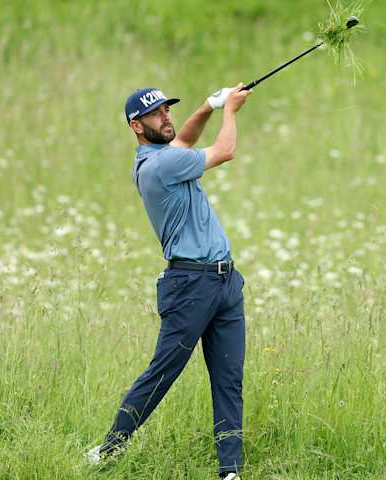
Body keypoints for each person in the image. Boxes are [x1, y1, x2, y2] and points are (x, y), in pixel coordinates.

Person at [87, 84, 252, 479]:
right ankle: (109, 449)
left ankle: (230, 471)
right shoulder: (159, 166)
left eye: (166, 110)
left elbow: (183, 139)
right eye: (155, 114)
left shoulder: (166, 156)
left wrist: (207, 106)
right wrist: (230, 111)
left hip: (225, 282)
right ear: (136, 127)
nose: (165, 117)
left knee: (229, 380)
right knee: (163, 372)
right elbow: (224, 151)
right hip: (190, 285)